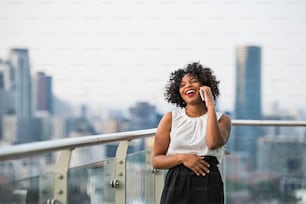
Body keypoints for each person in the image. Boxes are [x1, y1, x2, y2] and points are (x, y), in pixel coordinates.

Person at [151, 62, 231, 204]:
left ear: (206, 86)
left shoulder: (222, 119)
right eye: (182, 85)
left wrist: (211, 105)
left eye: (193, 81)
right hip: (176, 183)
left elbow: (212, 143)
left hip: (208, 182)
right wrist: (183, 158)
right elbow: (156, 160)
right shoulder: (171, 118)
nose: (187, 86)